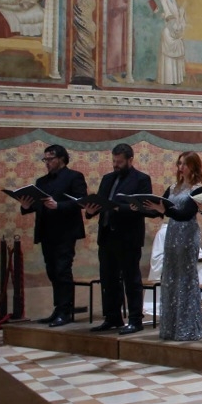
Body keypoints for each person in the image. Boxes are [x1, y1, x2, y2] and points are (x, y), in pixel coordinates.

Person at [141, 152, 202, 342]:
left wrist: (165, 210)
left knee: (186, 279)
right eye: (179, 163)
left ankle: (187, 328)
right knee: (170, 277)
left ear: (193, 166)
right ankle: (171, 327)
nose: (180, 167)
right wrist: (140, 208)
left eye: (184, 164)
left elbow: (185, 214)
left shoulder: (198, 190)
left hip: (187, 234)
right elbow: (159, 210)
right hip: (172, 234)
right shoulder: (173, 187)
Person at [82, 143, 153, 334]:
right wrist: (90, 211)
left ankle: (135, 319)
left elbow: (143, 208)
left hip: (128, 237)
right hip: (107, 235)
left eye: (119, 162)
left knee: (131, 279)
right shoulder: (108, 178)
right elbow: (100, 202)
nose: (115, 165)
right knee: (108, 279)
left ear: (130, 160)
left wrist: (118, 208)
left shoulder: (141, 179)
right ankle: (112, 317)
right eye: (114, 161)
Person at [17, 144, 88, 326]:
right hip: (46, 231)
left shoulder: (74, 177)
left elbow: (81, 201)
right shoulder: (42, 181)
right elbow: (38, 204)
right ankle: (58, 308)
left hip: (65, 232)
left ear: (61, 159)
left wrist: (59, 205)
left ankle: (65, 310)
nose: (47, 162)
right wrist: (26, 206)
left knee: (62, 270)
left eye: (50, 159)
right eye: (45, 159)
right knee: (52, 271)